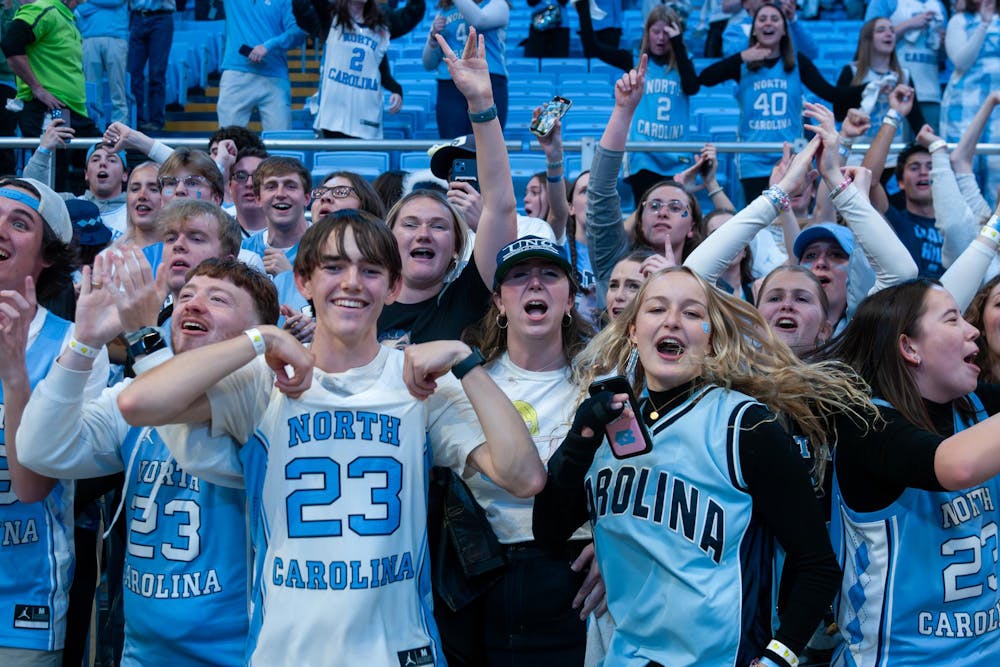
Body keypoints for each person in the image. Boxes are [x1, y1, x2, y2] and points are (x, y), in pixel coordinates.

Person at [116, 209, 547, 666]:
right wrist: (260, 338)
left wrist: (465, 360)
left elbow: (524, 477)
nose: (352, 283)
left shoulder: (419, 383)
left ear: (394, 287)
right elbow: (138, 403)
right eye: (334, 267)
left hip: (397, 651)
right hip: (286, 652)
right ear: (303, 280)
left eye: (371, 270)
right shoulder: (264, 379)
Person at [532, 265, 870, 666]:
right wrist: (580, 437)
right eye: (657, 309)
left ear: (711, 341)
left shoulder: (746, 424)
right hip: (623, 655)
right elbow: (548, 533)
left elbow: (818, 565)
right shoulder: (606, 425)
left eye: (692, 314)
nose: (673, 320)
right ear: (633, 332)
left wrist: (780, 657)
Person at [16, 256, 278, 666]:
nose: (191, 304)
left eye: (219, 299)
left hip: (237, 653)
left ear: (257, 330)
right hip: (142, 652)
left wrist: (141, 334)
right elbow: (39, 450)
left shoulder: (264, 391)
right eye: (185, 295)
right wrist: (84, 342)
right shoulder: (137, 390)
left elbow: (174, 417)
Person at [435, 236, 595, 665]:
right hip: (487, 578)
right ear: (499, 304)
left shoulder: (605, 382)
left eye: (549, 275)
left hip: (581, 577)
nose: (535, 285)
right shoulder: (463, 386)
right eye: (518, 277)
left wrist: (616, 543)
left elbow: (640, 478)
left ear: (570, 299)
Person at [824, 278, 1000, 666]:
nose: (973, 330)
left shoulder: (974, 405)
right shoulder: (865, 424)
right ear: (909, 347)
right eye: (953, 319)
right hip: (899, 658)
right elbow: (957, 466)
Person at [0, 176, 109, 665]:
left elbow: (36, 483)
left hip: (25, 588)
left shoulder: (76, 345)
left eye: (18, 223)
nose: (0, 229)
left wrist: (15, 376)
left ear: (48, 255)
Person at [378, 29, 517, 347]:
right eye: (410, 224)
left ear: (457, 247)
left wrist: (481, 102)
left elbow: (501, 208)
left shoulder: (467, 296)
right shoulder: (361, 303)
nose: (423, 233)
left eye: (439, 226)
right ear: (388, 240)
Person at [699, 2, 862, 201]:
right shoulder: (743, 64)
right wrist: (742, 57)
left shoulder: (797, 62)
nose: (768, 23)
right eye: (762, 19)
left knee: (793, 221)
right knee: (759, 223)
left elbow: (832, 94)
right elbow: (704, 79)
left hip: (791, 158)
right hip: (753, 158)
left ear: (784, 30)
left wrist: (872, 86)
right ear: (754, 29)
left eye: (775, 19)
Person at [575, 1, 700, 205]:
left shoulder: (684, 63)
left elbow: (692, 87)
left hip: (676, 156)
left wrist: (678, 44)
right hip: (643, 155)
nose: (661, 38)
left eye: (667, 33)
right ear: (647, 32)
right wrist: (583, 9)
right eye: (656, 31)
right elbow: (593, 47)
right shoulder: (633, 59)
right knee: (646, 218)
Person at [1, 0, 101, 190]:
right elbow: (11, 44)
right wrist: (37, 88)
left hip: (72, 109)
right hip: (49, 108)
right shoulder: (44, 9)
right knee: (54, 174)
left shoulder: (67, 18)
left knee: (96, 156)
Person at [835, 17, 926, 162]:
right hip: (858, 154)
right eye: (881, 30)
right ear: (868, 39)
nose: (889, 33)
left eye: (892, 30)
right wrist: (871, 89)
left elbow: (916, 119)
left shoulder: (904, 74)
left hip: (892, 155)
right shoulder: (851, 71)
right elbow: (839, 114)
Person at [314, 0, 402, 139]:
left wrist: (396, 90)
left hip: (365, 115)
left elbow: (382, 73)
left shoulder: (378, 29)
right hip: (334, 116)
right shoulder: (331, 19)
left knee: (364, 159)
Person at [940, 0, 1000, 199]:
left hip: (998, 107)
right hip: (963, 106)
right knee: (963, 167)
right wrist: (983, 24)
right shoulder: (959, 21)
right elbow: (961, 61)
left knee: (996, 171)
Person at [217, 0, 306, 131]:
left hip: (274, 77)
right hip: (236, 74)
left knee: (281, 144)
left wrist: (269, 46)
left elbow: (297, 32)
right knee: (228, 141)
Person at [423, 0, 509, 134]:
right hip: (450, 84)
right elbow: (428, 63)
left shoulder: (498, 4)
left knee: (488, 143)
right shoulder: (443, 12)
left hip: (488, 81)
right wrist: (433, 38)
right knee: (453, 145)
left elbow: (479, 20)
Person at [865, 0, 946, 131]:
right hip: (893, 94)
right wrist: (909, 25)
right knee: (893, 147)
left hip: (931, 93)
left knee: (929, 147)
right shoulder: (884, 2)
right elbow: (867, 39)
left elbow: (942, 58)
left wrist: (943, 44)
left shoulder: (938, 5)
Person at [77, 0, 129, 125]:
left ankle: (120, 126)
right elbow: (80, 9)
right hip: (88, 38)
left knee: (118, 88)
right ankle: (94, 124)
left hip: (116, 37)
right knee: (92, 89)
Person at [128, 0, 175, 133]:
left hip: (161, 16)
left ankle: (156, 121)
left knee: (157, 73)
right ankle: (136, 120)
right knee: (133, 73)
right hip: (137, 17)